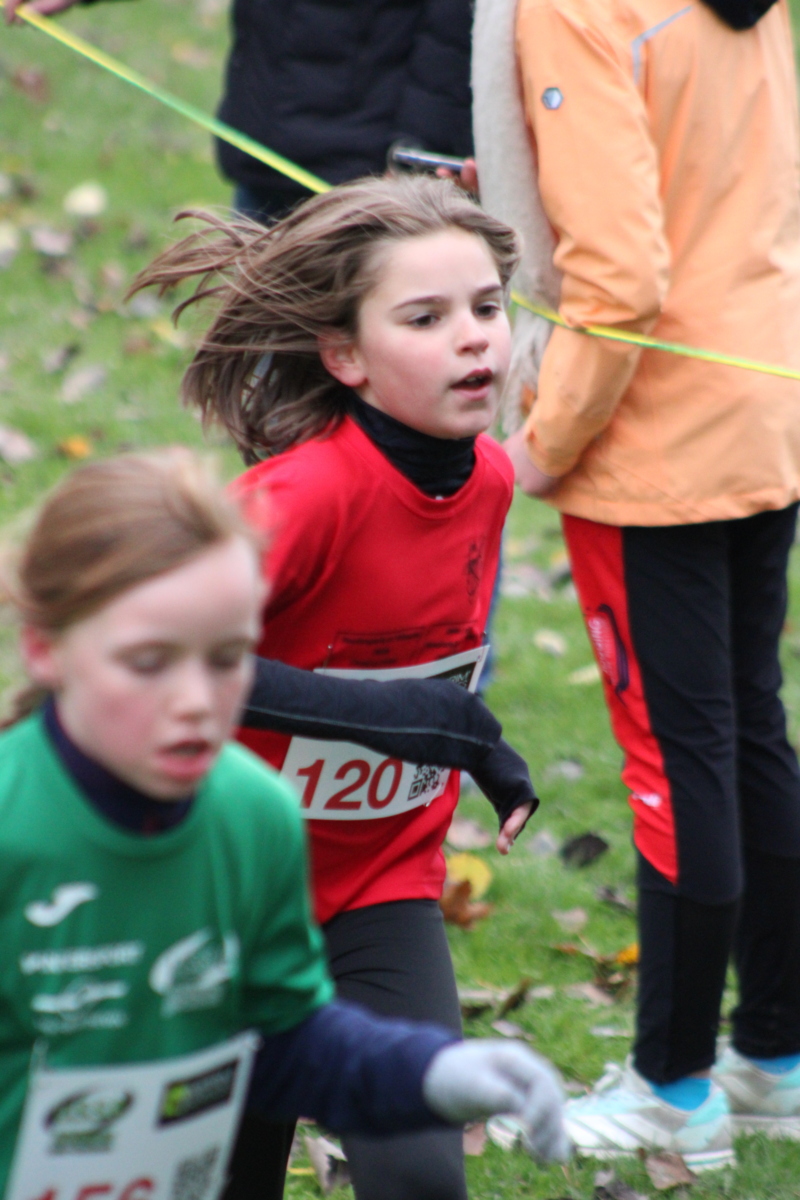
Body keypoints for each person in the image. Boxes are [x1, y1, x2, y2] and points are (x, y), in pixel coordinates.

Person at [0, 449, 569, 1199]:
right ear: (45, 649)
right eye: (148, 661)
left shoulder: (256, 814)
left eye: (228, 658)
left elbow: (284, 1038)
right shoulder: (14, 826)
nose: (195, 701)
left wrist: (431, 1072)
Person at [131, 175, 532, 1200]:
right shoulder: (300, 496)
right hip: (226, 888)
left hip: (379, 888)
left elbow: (427, 664)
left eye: (487, 307)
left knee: (421, 1178)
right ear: (344, 356)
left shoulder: (487, 478)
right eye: (425, 318)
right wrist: (405, 719)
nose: (473, 337)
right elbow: (161, 651)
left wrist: (478, 746)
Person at [472, 0, 800, 1173]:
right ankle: (772, 1059)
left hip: (655, 437)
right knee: (744, 728)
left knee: (679, 755)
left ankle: (671, 1089)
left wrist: (537, 445)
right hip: (757, 397)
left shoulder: (575, 7)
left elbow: (616, 280)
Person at [5, 0, 476, 222]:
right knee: (251, 365)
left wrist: (417, 156)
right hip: (267, 149)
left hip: (375, 181)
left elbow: (454, 29)